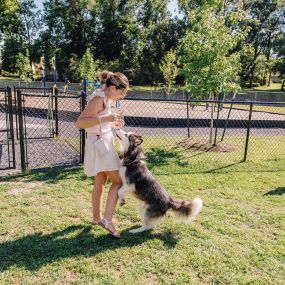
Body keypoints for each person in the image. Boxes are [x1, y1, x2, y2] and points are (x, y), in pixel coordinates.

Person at [75, 70, 129, 238]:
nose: (121, 96)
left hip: (99, 142)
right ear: (112, 88)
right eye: (121, 92)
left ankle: (97, 218)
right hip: (101, 145)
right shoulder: (98, 99)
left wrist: (112, 124)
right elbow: (80, 123)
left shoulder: (104, 96)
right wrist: (106, 120)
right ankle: (107, 219)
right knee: (119, 182)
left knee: (101, 181)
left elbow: (97, 122)